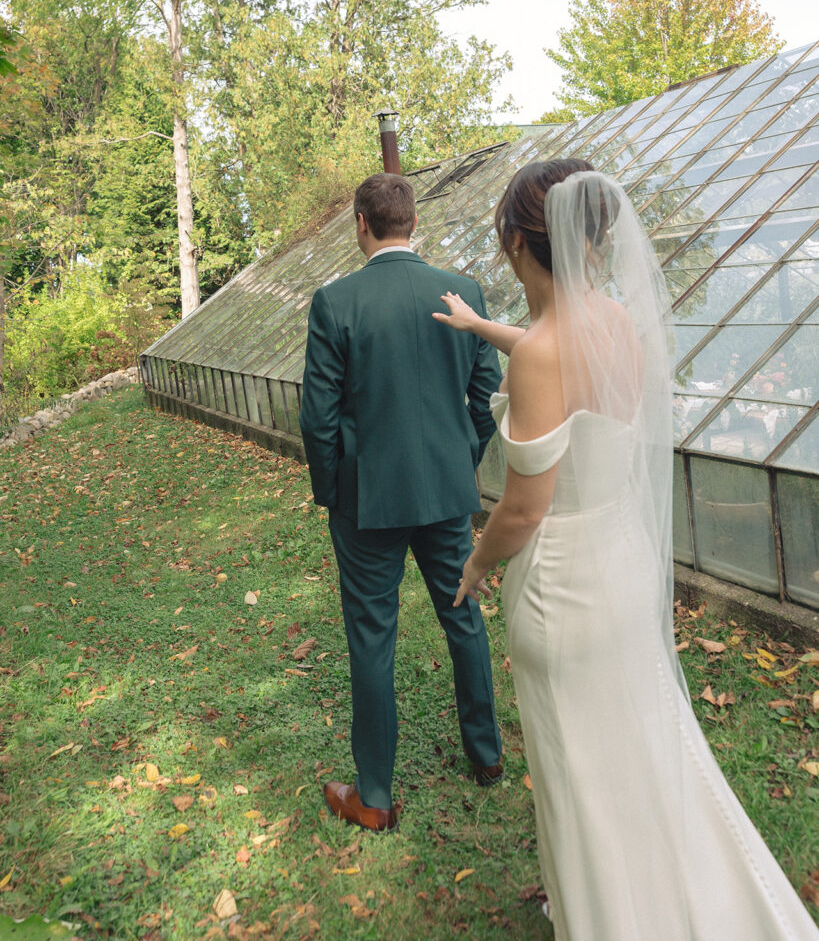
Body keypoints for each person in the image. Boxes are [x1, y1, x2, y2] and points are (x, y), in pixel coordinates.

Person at [436, 159, 819, 939]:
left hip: (565, 588)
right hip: (624, 563)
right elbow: (551, 351)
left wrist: (476, 565)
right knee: (639, 742)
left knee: (577, 766)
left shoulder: (539, 355)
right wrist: (484, 329)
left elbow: (521, 510)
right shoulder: (615, 321)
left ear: (514, 241)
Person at [298, 171, 504, 833]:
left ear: (360, 224)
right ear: (411, 223)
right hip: (445, 492)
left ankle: (376, 796)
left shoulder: (336, 302)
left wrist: (333, 492)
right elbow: (484, 399)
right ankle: (486, 757)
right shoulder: (464, 293)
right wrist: (458, 463)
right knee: (463, 615)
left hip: (367, 502)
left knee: (371, 637)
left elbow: (317, 418)